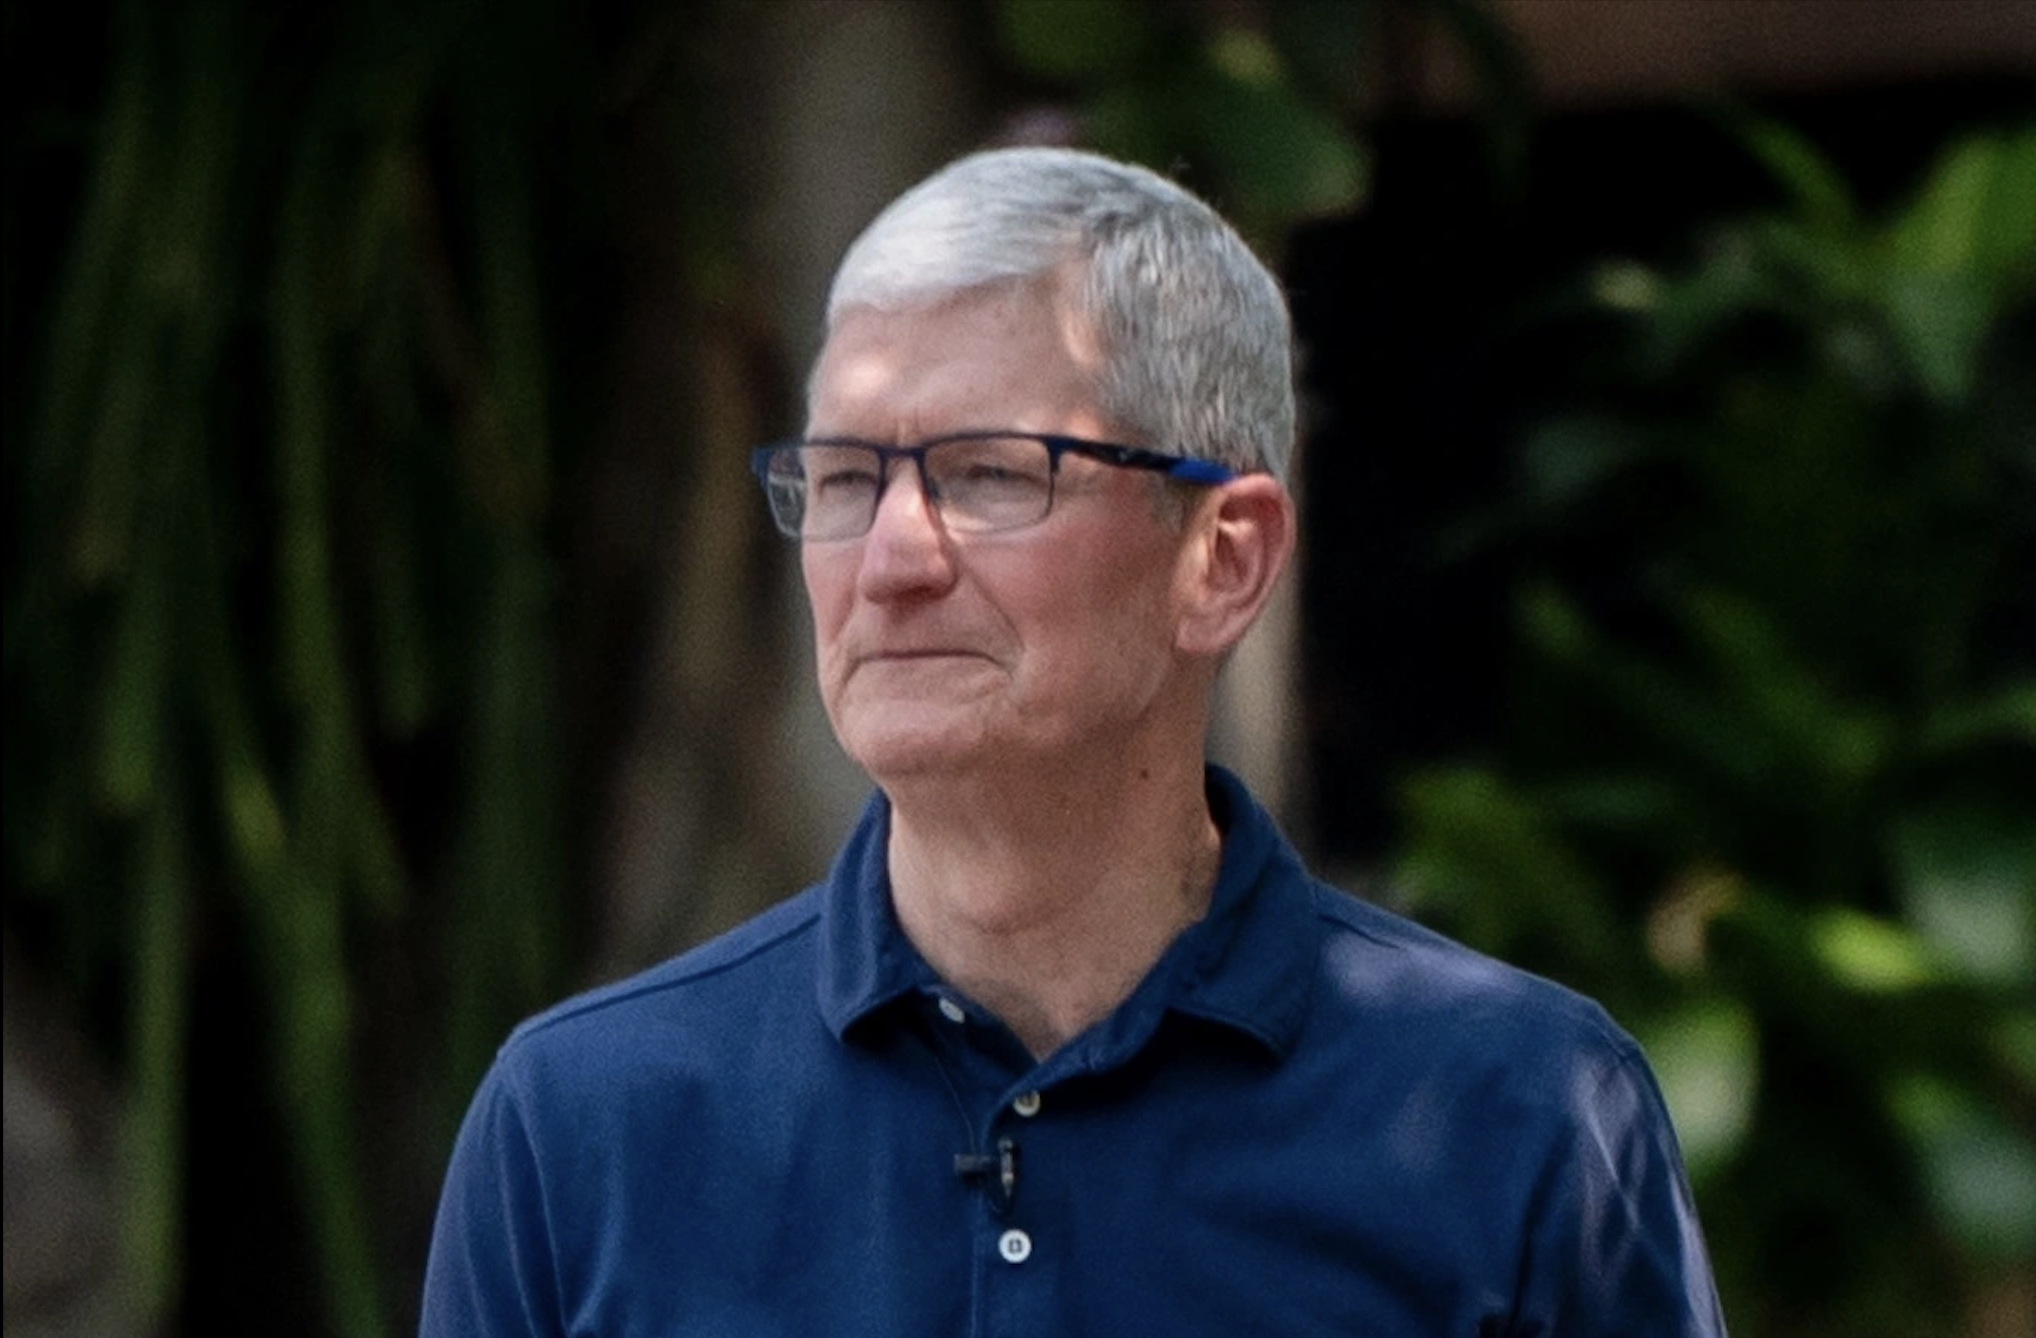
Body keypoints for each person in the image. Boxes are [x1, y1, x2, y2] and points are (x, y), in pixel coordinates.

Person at [419, 145, 1728, 1337]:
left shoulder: (1523, 1115)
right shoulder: (581, 1128)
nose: (890, 559)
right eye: (843, 479)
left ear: (1225, 557)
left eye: (988, 472)